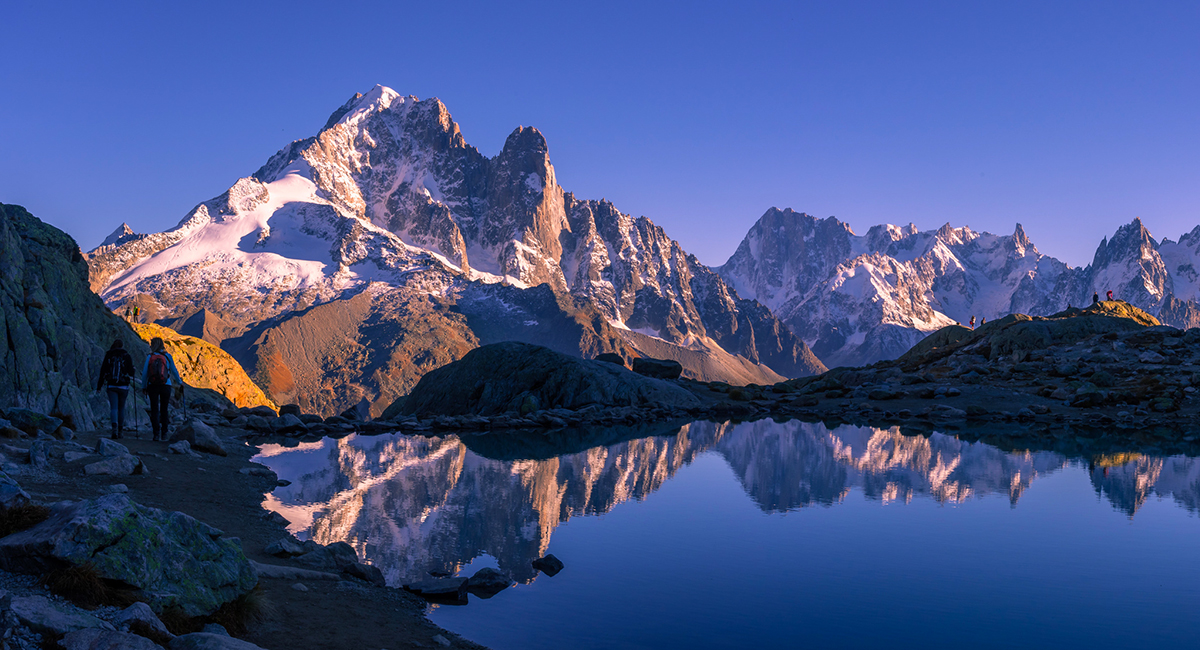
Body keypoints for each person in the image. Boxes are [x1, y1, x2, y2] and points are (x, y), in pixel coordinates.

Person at [141, 337, 183, 441]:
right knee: (164, 409)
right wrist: (180, 383)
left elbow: (145, 373)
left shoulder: (150, 357)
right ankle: (164, 433)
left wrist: (144, 386)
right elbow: (174, 371)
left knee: (154, 409)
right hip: (166, 385)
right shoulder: (167, 356)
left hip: (152, 385)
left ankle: (156, 434)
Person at [97, 339, 134, 439]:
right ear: (122, 345)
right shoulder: (126, 356)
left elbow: (103, 371)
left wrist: (99, 386)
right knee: (121, 408)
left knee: (113, 408)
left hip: (111, 385)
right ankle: (120, 431)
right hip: (124, 386)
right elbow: (131, 372)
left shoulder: (109, 355)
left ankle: (114, 430)